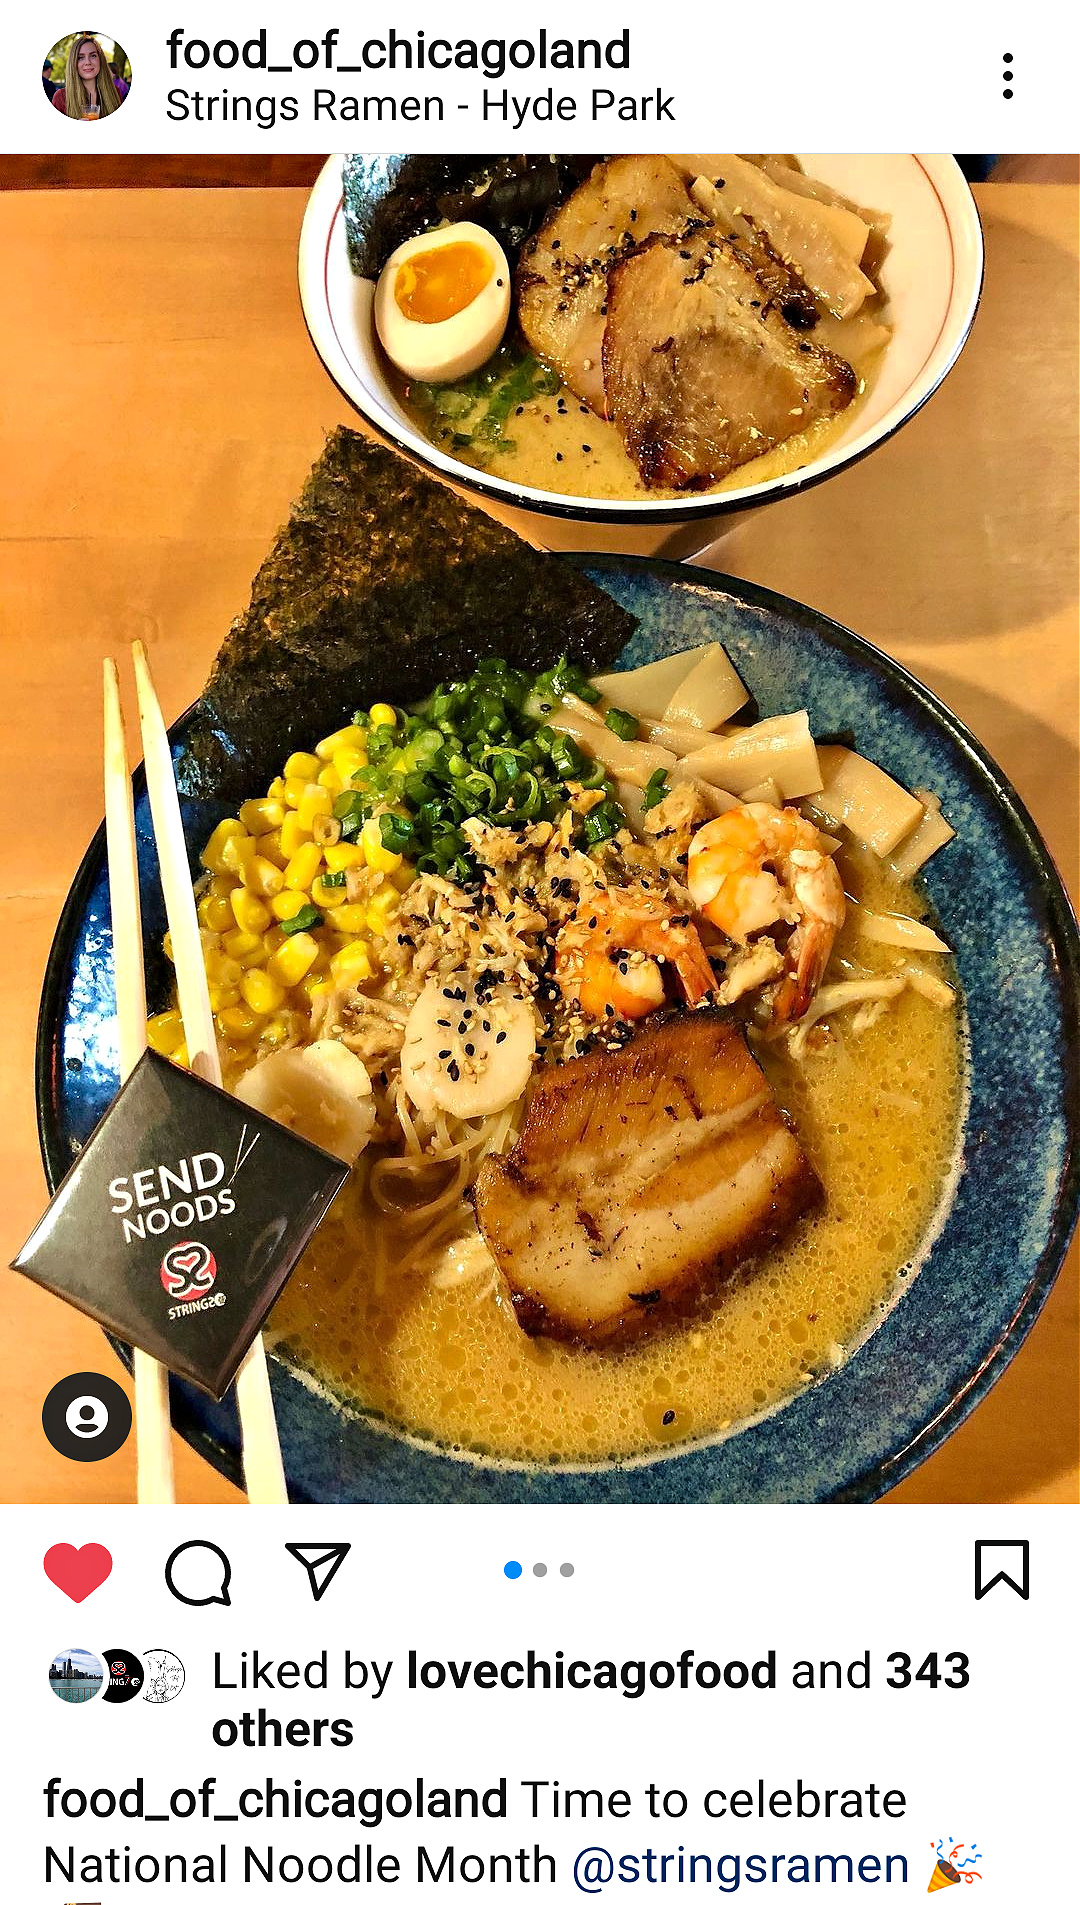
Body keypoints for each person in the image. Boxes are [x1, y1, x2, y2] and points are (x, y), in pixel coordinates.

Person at [51, 35, 127, 119]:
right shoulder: (61, 97)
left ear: (100, 60)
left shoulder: (114, 92)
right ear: (73, 63)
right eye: (80, 57)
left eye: (93, 56)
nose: (88, 62)